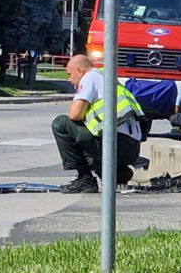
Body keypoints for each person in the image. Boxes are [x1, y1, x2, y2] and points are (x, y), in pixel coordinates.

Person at [51, 55, 144, 193]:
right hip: (131, 147)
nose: (69, 80)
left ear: (80, 70)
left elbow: (74, 114)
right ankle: (119, 174)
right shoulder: (107, 77)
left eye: (70, 75)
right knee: (87, 137)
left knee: (61, 124)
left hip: (116, 143)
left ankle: (85, 179)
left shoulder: (90, 78)